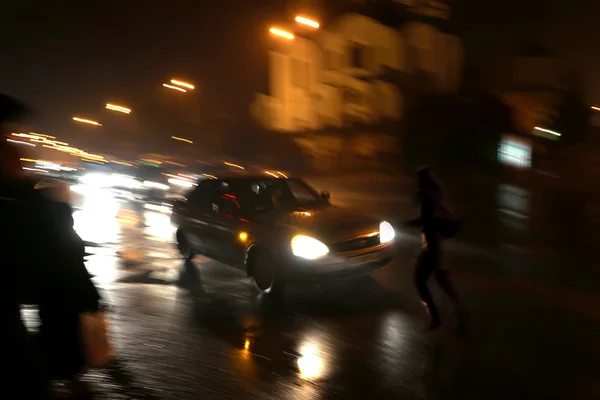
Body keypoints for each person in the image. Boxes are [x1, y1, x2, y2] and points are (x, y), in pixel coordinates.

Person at [406, 167, 461, 331]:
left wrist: (405, 224)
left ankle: (439, 317)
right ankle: (459, 312)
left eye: (419, 182)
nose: (417, 185)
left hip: (432, 249)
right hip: (433, 247)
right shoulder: (433, 198)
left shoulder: (429, 201)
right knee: (439, 279)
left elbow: (425, 221)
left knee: (420, 280)